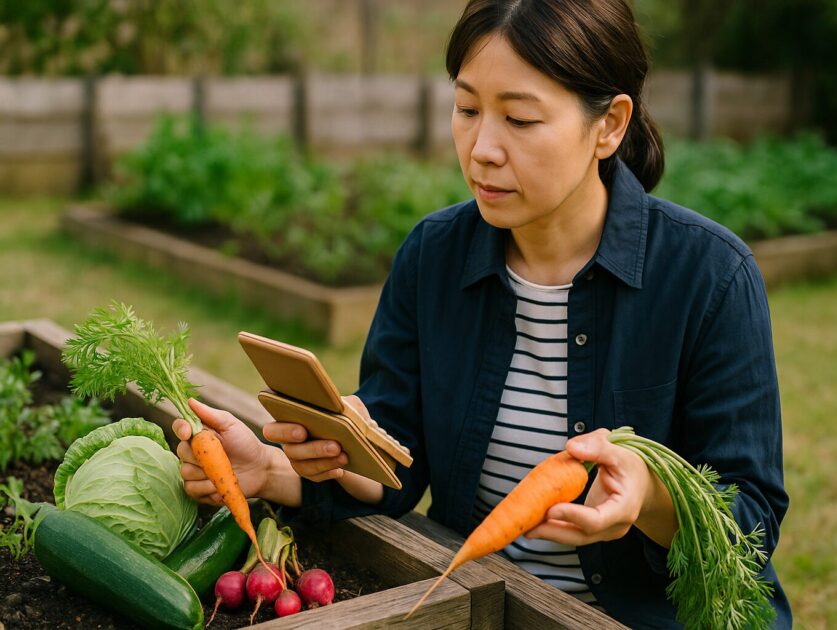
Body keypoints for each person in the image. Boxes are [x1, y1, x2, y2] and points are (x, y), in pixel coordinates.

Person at [173, 0, 791, 626]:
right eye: (467, 110)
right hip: (481, 607)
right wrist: (277, 467)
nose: (482, 149)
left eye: (519, 119)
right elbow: (398, 455)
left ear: (609, 125)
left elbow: (752, 521)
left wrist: (650, 495)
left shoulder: (710, 276)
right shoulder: (433, 256)